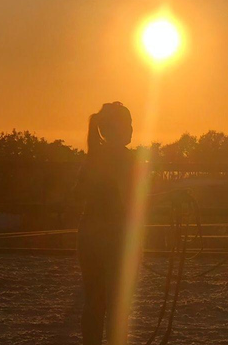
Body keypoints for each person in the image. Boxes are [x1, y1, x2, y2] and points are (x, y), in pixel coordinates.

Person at [76, 102, 137, 345]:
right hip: (115, 236)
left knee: (93, 300)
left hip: (88, 233)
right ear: (118, 128)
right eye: (129, 125)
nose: (132, 130)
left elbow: (78, 192)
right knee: (117, 303)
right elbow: (130, 199)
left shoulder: (93, 157)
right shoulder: (126, 159)